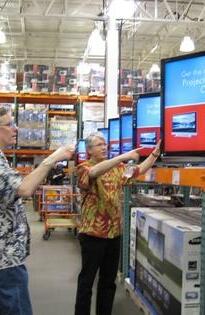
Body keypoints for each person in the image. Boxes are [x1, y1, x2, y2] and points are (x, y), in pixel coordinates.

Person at [74, 132, 161, 315]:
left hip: (114, 234)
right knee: (87, 282)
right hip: (92, 235)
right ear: (89, 150)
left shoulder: (118, 169)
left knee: (108, 282)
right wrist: (123, 156)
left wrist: (155, 154)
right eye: (99, 145)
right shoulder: (83, 168)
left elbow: (139, 170)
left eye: (105, 144)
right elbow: (94, 172)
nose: (104, 147)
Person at [0, 106, 75, 315]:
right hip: (5, 261)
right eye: (8, 125)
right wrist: (52, 158)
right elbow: (23, 188)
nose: (15, 129)